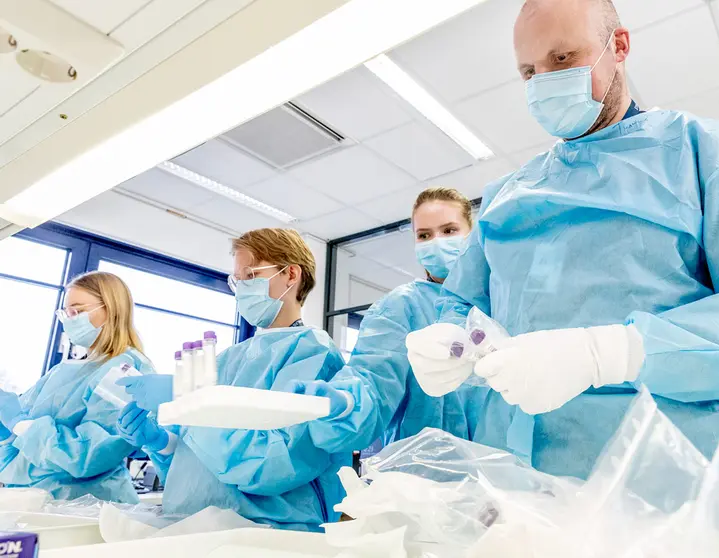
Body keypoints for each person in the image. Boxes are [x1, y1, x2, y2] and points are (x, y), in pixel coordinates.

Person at [405, 0, 719, 478]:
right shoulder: (507, 197)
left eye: (562, 59)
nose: (544, 81)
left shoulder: (708, 155)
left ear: (620, 46)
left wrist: (615, 353)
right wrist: (450, 342)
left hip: (673, 479)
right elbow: (462, 304)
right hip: (521, 483)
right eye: (529, 71)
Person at [115, 228, 347, 532]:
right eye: (237, 280)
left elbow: (276, 463)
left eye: (250, 275)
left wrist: (187, 402)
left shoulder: (313, 352)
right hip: (191, 525)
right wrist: (160, 442)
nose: (240, 289)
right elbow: (196, 470)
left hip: (268, 534)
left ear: (291, 274)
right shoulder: (226, 359)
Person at [289, 187, 491, 454]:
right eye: (424, 235)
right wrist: (346, 403)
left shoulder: (500, 301)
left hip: (512, 473)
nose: (437, 242)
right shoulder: (399, 308)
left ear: (471, 233)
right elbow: (373, 376)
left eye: (449, 230)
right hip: (424, 475)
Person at [0, 271, 154, 502]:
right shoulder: (64, 371)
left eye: (78, 311)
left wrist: (22, 425)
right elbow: (21, 444)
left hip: (90, 507)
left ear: (111, 309)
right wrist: (6, 432)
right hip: (34, 502)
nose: (70, 319)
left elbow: (89, 455)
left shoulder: (125, 369)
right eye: (66, 312)